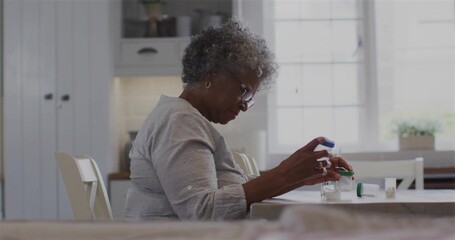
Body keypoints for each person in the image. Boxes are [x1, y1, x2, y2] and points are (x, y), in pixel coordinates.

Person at [123, 20, 352, 221]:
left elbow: (227, 192)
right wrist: (283, 173)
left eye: (250, 98)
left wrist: (300, 175)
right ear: (211, 75)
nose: (244, 105)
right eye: (244, 92)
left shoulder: (183, 117)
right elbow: (201, 211)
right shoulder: (179, 120)